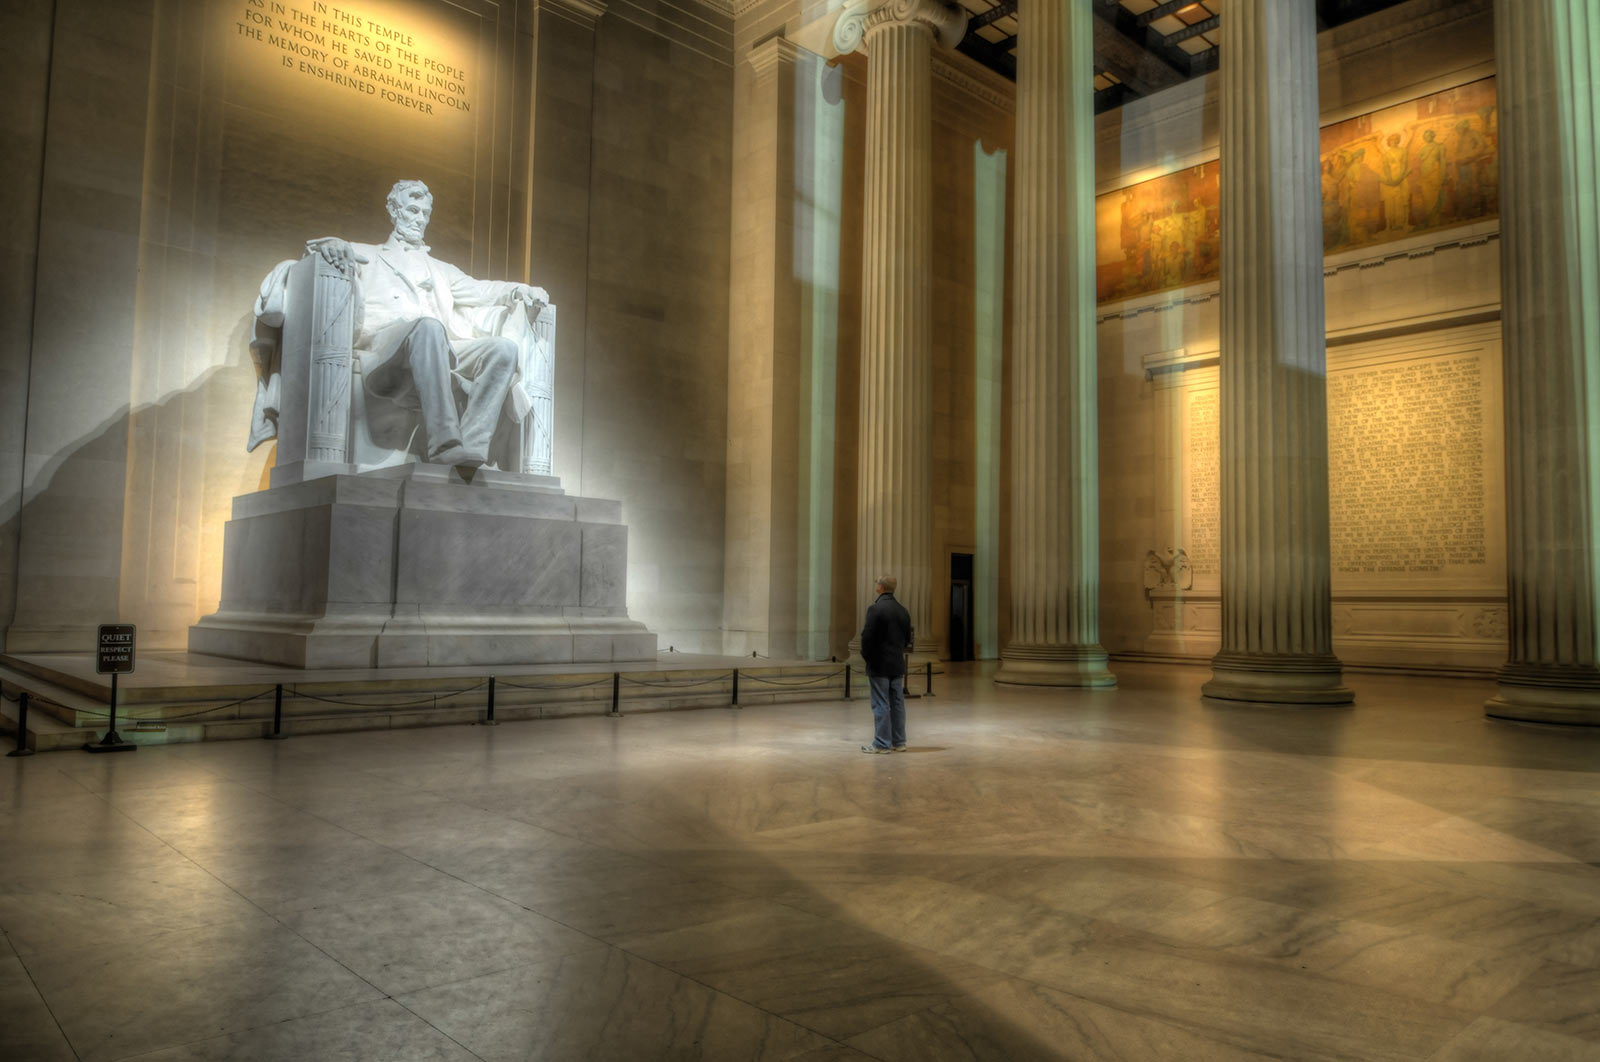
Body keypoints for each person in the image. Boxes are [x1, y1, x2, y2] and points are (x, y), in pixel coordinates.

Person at [301, 180, 549, 468]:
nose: (420, 219)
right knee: (429, 326)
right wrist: (332, 245)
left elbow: (481, 289)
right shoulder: (367, 254)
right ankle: (444, 443)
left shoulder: (442, 269)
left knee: (503, 349)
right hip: (387, 346)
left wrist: (518, 290)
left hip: (437, 344)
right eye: (413, 210)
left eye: (425, 214)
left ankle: (472, 445)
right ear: (394, 210)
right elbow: (318, 252)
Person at [859, 575, 912, 753]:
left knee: (881, 703)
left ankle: (882, 743)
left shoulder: (875, 609)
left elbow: (867, 638)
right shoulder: (903, 610)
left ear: (880, 587)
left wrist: (867, 657)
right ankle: (899, 742)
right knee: (897, 703)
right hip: (897, 663)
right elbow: (907, 639)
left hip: (879, 664)